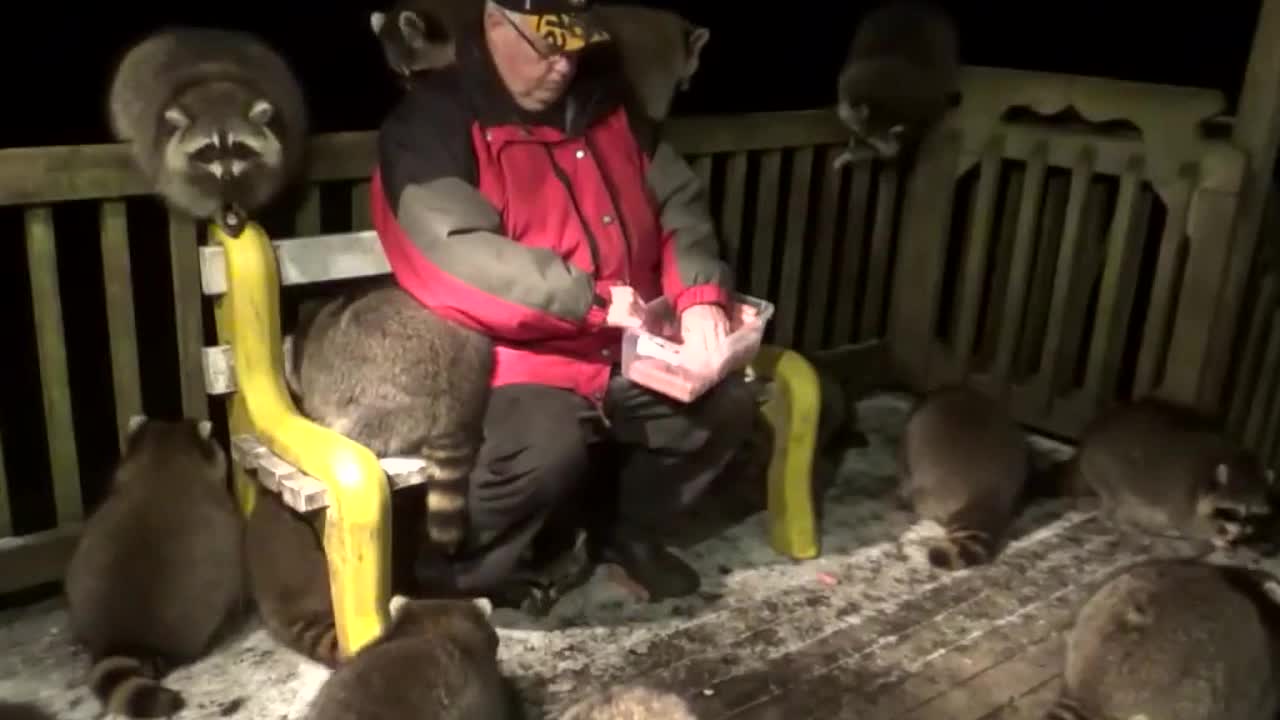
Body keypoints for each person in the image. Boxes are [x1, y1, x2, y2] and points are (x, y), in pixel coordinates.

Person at [369, 0, 754, 609]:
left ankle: (628, 534)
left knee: (722, 404)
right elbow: (453, 258)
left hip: (621, 344)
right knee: (543, 449)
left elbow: (680, 205)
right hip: (507, 361)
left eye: (575, 46)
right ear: (496, 24)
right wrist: (592, 302)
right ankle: (458, 575)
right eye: (549, 48)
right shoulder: (432, 125)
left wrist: (701, 295)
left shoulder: (611, 106)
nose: (565, 65)